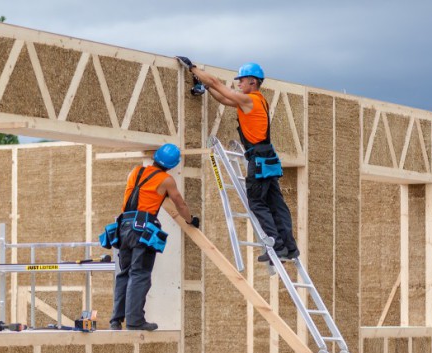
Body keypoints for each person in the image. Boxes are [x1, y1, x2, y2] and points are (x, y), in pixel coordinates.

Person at [177, 57, 299, 262]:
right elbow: (223, 98)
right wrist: (205, 85)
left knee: (257, 203)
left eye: (241, 80)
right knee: (276, 204)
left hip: (259, 157)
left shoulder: (249, 99)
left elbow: (218, 84)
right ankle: (289, 247)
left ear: (253, 81)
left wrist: (193, 68)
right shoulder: (256, 100)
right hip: (266, 156)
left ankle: (276, 246)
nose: (238, 83)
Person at [106, 143, 199, 331]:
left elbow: (140, 193)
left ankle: (116, 320)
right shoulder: (166, 180)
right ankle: (135, 321)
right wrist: (190, 220)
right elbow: (179, 203)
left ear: (156, 157)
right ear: (172, 165)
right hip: (142, 229)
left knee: (124, 273)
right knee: (140, 274)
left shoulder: (135, 171)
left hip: (123, 227)